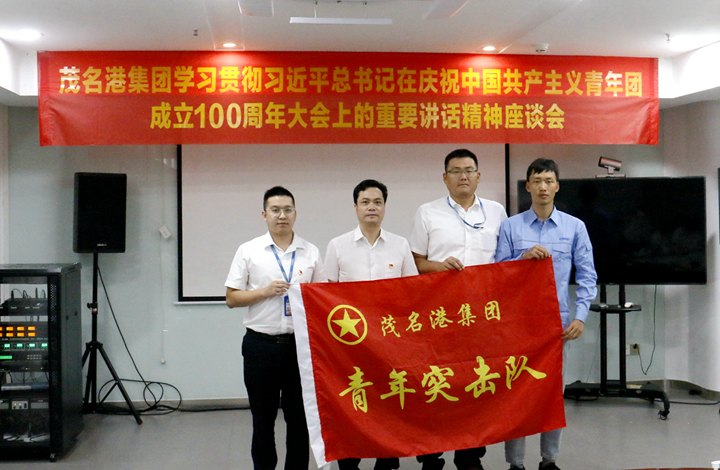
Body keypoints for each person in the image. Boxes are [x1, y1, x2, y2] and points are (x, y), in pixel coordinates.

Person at [408, 149, 508, 470]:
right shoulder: (427, 212)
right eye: (455, 171)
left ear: (478, 176)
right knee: (436, 383)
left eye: (468, 170)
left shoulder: (496, 212)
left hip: (481, 316)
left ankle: (469, 454)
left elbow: (505, 263)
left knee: (475, 385)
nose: (462, 176)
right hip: (439, 314)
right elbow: (415, 262)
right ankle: (431, 455)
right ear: (445, 177)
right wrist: (439, 266)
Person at [495, 158, 597, 470]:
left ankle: (549, 460)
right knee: (517, 393)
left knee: (553, 393)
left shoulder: (574, 227)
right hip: (518, 324)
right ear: (528, 186)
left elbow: (588, 276)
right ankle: (515, 463)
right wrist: (522, 258)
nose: (543, 187)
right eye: (537, 181)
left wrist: (580, 317)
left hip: (557, 325)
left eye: (548, 181)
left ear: (557, 186)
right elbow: (497, 273)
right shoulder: (510, 226)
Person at [225, 186, 327, 470]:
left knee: (299, 419)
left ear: (295, 214)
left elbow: (323, 298)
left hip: (300, 347)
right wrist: (265, 292)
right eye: (275, 210)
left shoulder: (311, 252)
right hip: (261, 346)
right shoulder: (249, 251)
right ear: (264, 214)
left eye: (287, 210)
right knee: (262, 419)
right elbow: (231, 298)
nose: (282, 216)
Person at [325, 178, 418, 470]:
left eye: (377, 202)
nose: (371, 207)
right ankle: (349, 459)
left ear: (385, 207)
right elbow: (327, 294)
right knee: (352, 398)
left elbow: (413, 292)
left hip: (389, 341)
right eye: (365, 202)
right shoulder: (337, 246)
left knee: (386, 400)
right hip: (349, 342)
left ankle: (386, 459)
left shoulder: (400, 245)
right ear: (355, 207)